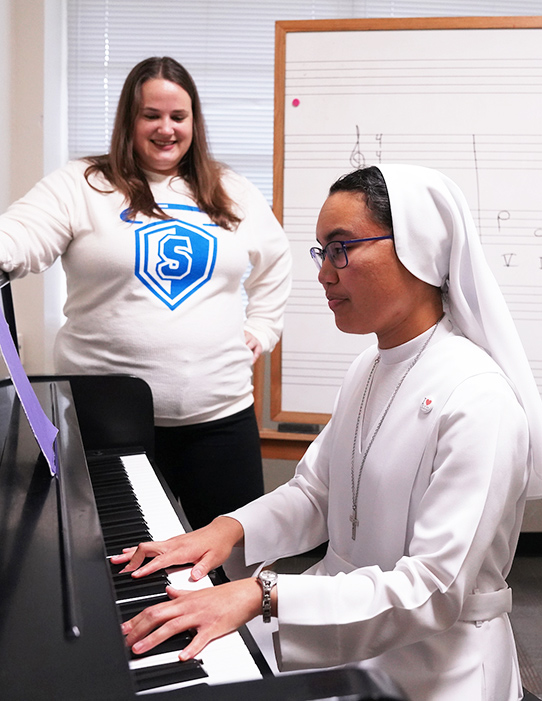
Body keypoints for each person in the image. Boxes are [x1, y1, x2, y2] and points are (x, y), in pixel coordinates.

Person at [111, 164, 542, 701]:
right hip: (334, 618)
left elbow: (434, 590)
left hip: (435, 662)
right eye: (322, 251)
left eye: (341, 248)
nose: (323, 273)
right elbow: (318, 492)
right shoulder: (369, 365)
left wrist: (261, 595)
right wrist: (223, 532)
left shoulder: (480, 398)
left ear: (417, 248)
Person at [0, 56, 291, 529]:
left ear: (194, 120)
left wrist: (263, 328)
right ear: (128, 120)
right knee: (115, 561)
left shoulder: (229, 189)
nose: (166, 129)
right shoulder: (84, 183)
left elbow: (276, 261)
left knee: (232, 563)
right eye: (151, 115)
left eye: (178, 116)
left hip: (219, 418)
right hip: (106, 422)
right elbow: (21, 233)